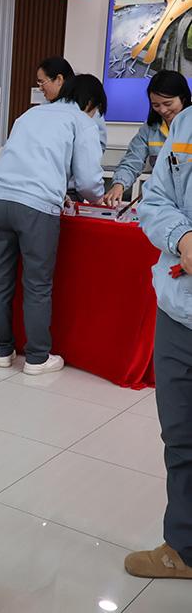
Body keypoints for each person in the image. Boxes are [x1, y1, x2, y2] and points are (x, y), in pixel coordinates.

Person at [0, 75, 106, 376]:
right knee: (37, 285)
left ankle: (2, 352)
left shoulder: (30, 113)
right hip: (36, 208)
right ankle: (37, 358)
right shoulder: (81, 120)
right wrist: (99, 198)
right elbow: (88, 181)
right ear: (90, 103)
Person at [125, 98, 192, 580]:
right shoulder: (185, 125)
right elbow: (155, 200)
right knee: (181, 436)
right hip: (178, 311)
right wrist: (182, 238)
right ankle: (184, 547)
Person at [103, 70, 191, 207]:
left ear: (183, 98)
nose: (163, 110)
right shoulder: (150, 128)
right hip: (164, 203)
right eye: (156, 105)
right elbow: (133, 159)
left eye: (168, 104)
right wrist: (119, 184)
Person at [36, 56, 108, 154]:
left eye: (42, 82)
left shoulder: (85, 104)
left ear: (59, 79)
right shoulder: (44, 106)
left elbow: (98, 145)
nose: (40, 88)